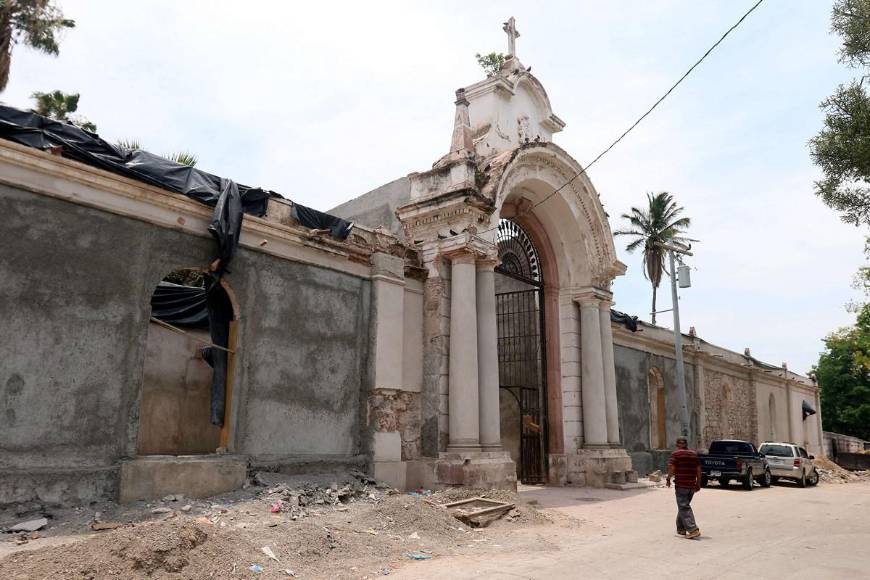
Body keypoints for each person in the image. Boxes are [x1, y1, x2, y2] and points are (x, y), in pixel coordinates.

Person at [666, 436, 701, 539]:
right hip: (691, 486)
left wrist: (668, 479)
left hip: (681, 485)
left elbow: (672, 468)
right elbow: (698, 470)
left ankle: (693, 529)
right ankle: (681, 528)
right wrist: (698, 483)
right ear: (686, 444)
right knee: (683, 506)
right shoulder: (694, 454)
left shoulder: (675, 454)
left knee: (684, 507)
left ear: (677, 445)